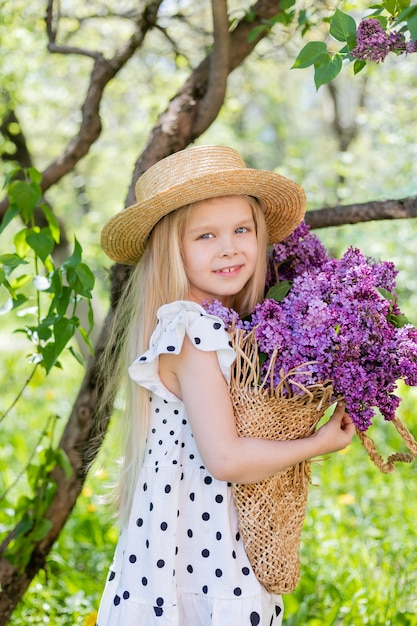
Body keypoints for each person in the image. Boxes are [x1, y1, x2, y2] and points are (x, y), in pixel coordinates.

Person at [96, 145, 355, 625]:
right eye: (205, 236)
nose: (229, 248)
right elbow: (227, 459)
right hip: (207, 557)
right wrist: (317, 443)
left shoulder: (217, 326)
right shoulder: (193, 331)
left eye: (242, 230)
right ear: (172, 250)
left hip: (193, 545)